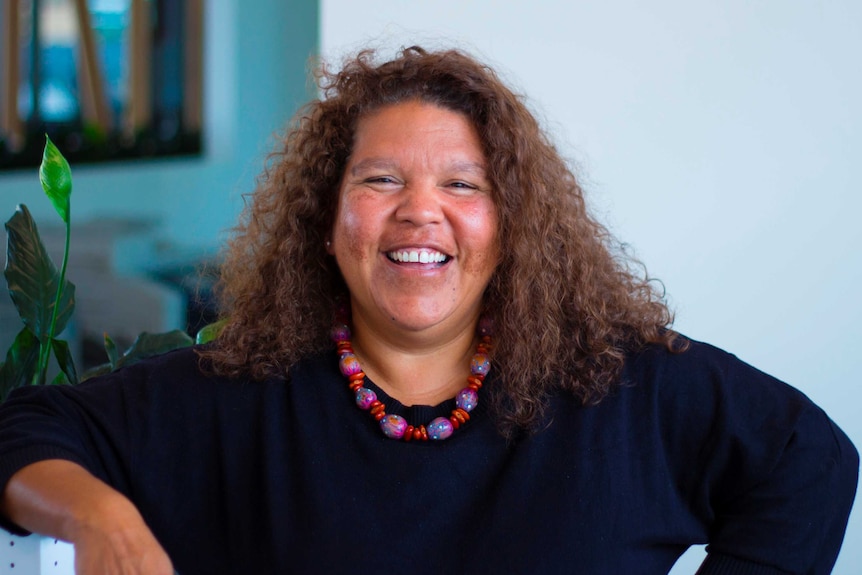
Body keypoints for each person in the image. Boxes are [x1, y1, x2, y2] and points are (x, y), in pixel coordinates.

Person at [0, 46, 857, 575]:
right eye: (380, 180)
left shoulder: (618, 383)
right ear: (326, 223)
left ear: (511, 226)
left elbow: (808, 457)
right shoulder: (238, 391)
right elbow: (22, 427)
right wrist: (96, 513)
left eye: (462, 184)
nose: (420, 211)